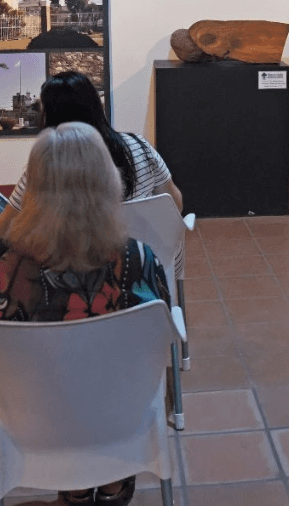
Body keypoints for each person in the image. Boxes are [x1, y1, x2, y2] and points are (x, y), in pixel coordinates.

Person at [0, 121, 170, 506]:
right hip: (121, 426)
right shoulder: (139, 260)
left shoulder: (8, 274)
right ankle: (112, 488)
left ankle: (75, 491)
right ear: (106, 182)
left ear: (35, 190)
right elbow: (155, 348)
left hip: (31, 432)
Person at [2, 72, 183, 272]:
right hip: (149, 268)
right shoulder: (141, 147)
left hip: (82, 279)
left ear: (50, 117)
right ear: (96, 106)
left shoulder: (45, 165)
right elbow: (175, 204)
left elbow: (6, 230)